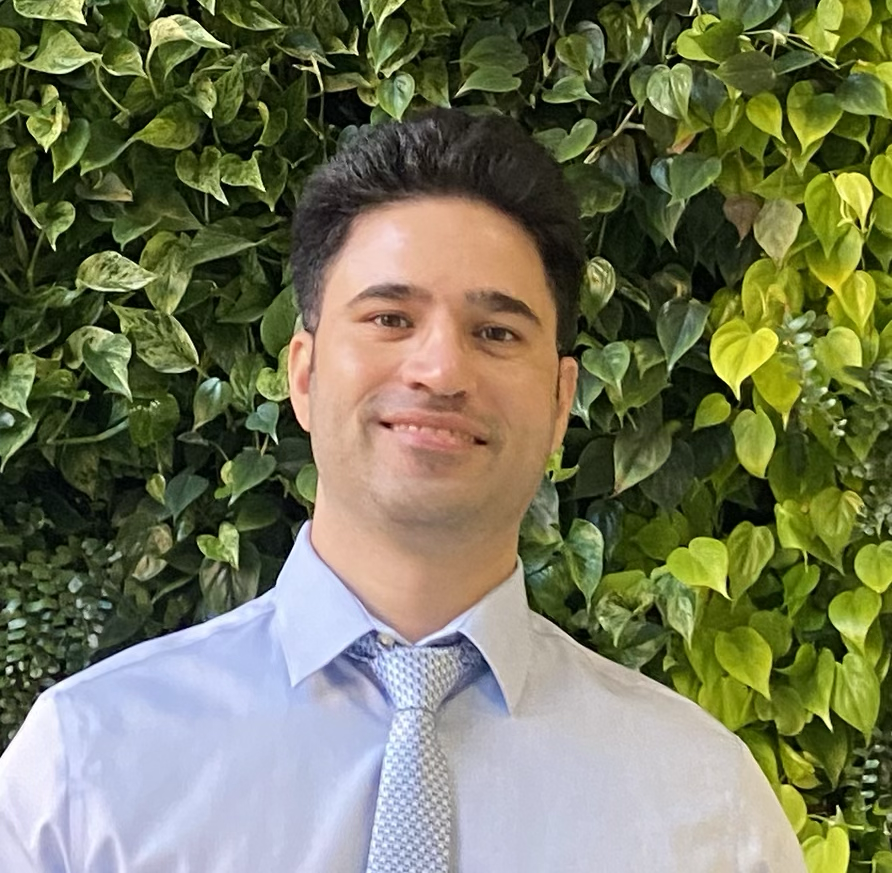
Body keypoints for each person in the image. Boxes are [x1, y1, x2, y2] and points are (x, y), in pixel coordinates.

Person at [0, 108, 806, 872]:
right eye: (390, 318)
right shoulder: (87, 766)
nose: (441, 370)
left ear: (561, 401)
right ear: (304, 374)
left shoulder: (706, 805)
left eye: (496, 332)